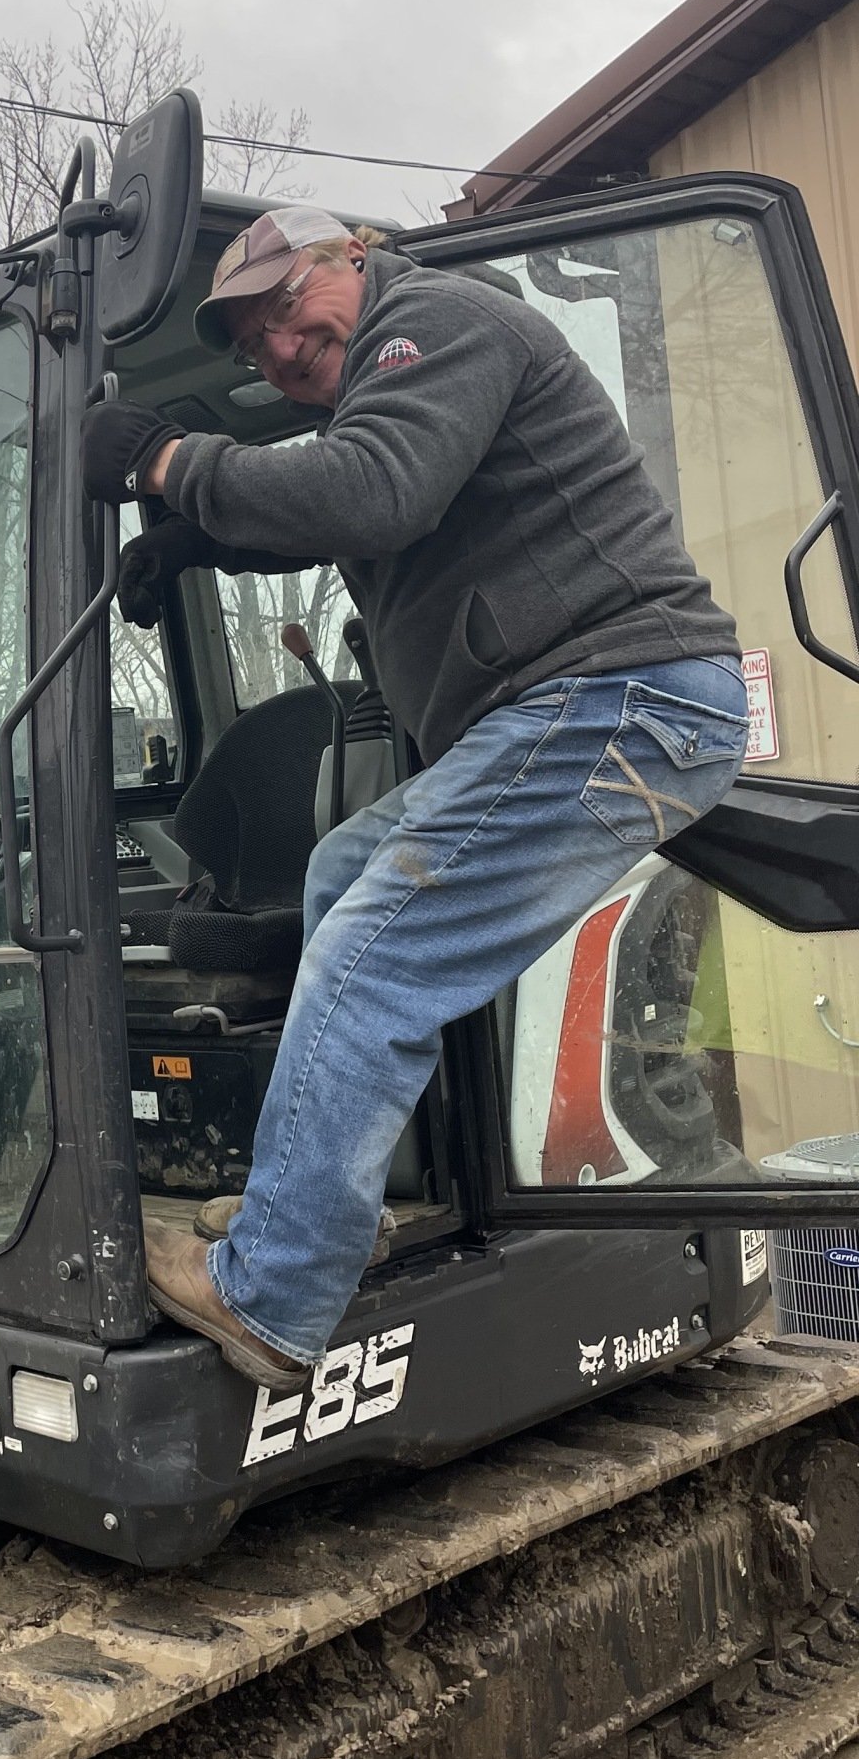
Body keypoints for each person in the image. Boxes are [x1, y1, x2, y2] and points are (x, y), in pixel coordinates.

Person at [80, 206, 747, 1389]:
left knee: (372, 955)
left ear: (354, 260)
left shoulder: (432, 317)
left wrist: (164, 459)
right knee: (344, 876)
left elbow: (370, 493)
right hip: (573, 707)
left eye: (285, 308)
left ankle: (273, 1297)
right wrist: (201, 544)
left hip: (619, 696)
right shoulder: (389, 380)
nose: (277, 351)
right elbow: (358, 507)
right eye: (252, 347)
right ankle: (334, 1195)